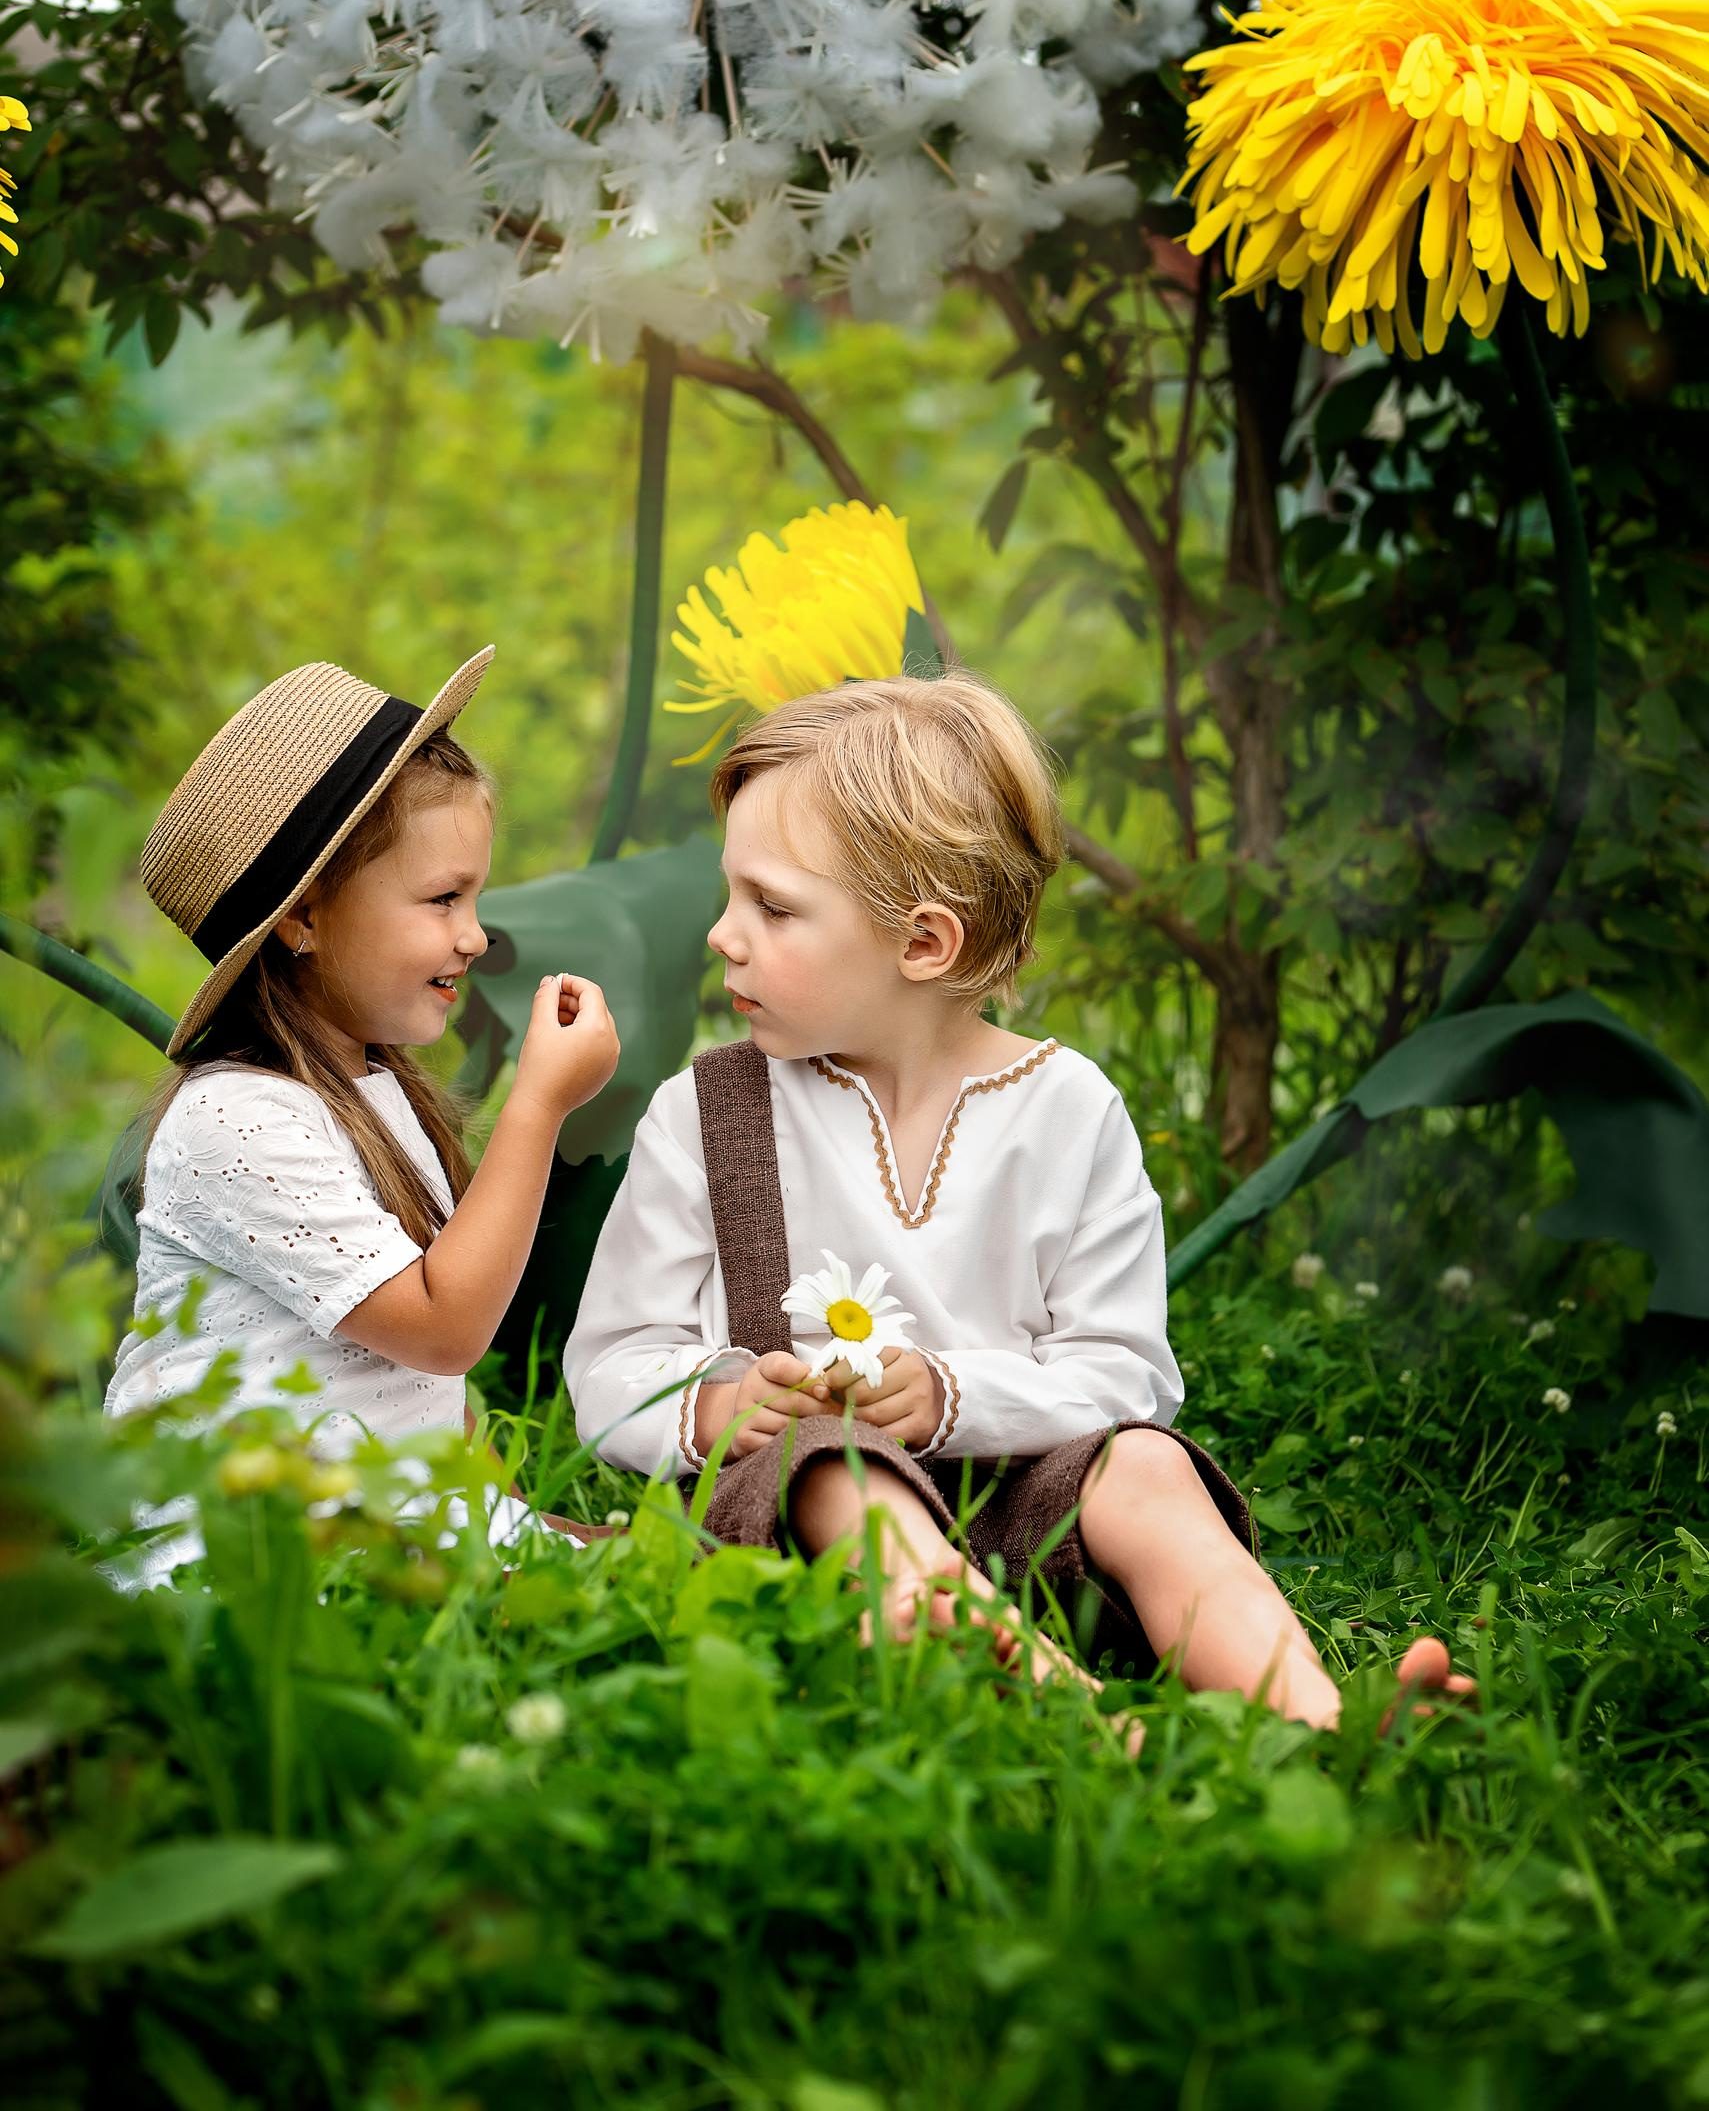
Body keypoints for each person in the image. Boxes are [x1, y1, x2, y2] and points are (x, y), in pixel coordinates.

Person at [565, 672, 1474, 1734]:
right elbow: (612, 1363)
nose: (724, 934)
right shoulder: (708, 1115)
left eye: (771, 907)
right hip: (801, 1526)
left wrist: (951, 1396)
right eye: (732, 896)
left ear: (923, 943)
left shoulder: (1068, 1112)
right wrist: (714, 1409)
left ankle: (1323, 1719)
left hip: (1032, 1520)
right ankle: (1076, 1719)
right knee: (838, 1462)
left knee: (1145, 1466)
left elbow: (1124, 1373)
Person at [105, 647, 619, 1586]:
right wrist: (539, 1103)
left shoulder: (378, 1089)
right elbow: (442, 1329)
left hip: (386, 1512)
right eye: (442, 899)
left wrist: (520, 1519)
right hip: (254, 1547)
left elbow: (426, 1389)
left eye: (474, 897)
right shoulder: (235, 1121)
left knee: (654, 1566)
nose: (474, 935)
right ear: (303, 920)